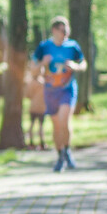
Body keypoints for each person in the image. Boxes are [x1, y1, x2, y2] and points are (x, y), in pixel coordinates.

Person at [31, 17, 86, 172]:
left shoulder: (73, 46)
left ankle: (67, 150)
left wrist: (75, 66)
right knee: (56, 125)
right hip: (50, 91)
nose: (65, 33)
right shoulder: (44, 47)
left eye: (67, 30)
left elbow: (83, 64)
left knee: (64, 120)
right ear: (54, 30)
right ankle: (60, 155)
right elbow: (32, 69)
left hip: (67, 89)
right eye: (62, 30)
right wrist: (43, 63)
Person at [25, 63, 47, 150]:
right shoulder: (43, 83)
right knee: (41, 125)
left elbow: (28, 95)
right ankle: (42, 143)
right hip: (42, 107)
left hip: (33, 106)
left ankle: (31, 142)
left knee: (31, 124)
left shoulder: (30, 83)